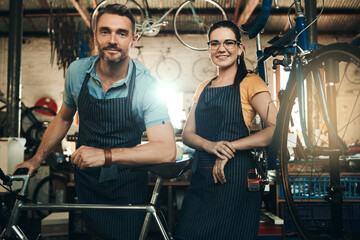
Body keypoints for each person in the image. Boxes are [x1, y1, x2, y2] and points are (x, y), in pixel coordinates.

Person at [15, 4, 176, 240]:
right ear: (95, 36)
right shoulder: (77, 72)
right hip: (87, 180)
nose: (113, 40)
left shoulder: (146, 86)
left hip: (127, 183)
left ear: (134, 39)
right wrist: (36, 159)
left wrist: (105, 155)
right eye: (105, 31)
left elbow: (167, 150)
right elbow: (63, 117)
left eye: (122, 33)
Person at [174, 20, 278, 240]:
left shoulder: (251, 82)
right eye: (215, 43)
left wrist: (230, 146)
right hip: (202, 174)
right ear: (209, 48)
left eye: (228, 42)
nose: (221, 49)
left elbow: (275, 130)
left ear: (240, 48)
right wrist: (210, 146)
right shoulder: (204, 87)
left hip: (236, 176)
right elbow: (188, 134)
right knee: (186, 234)